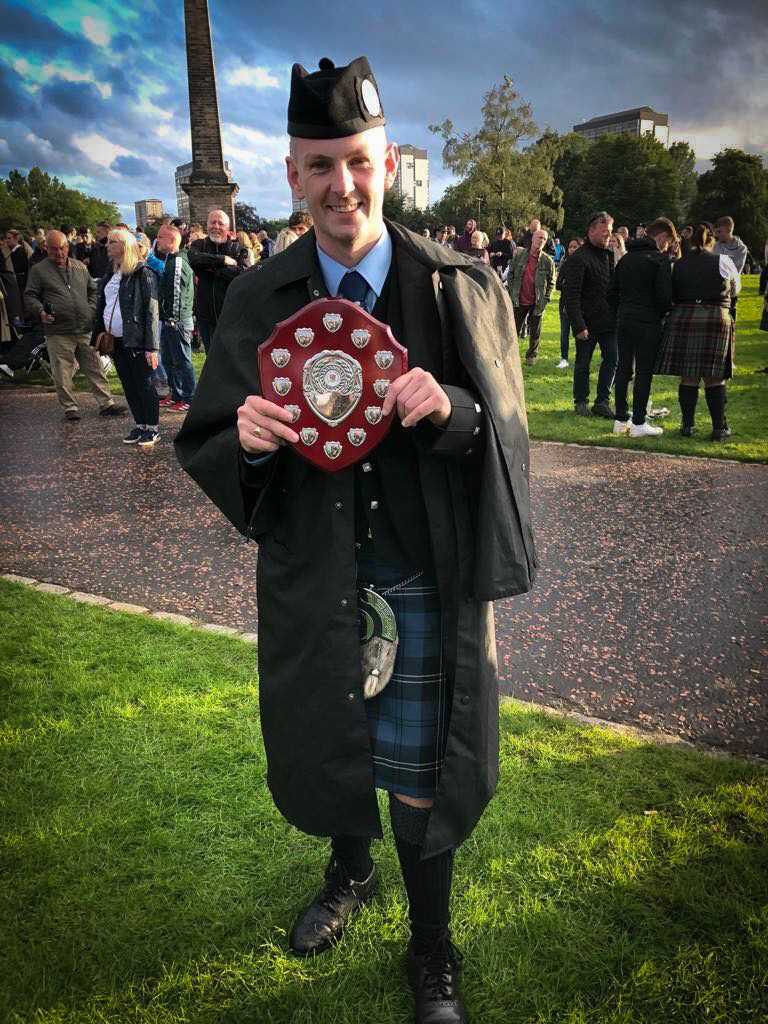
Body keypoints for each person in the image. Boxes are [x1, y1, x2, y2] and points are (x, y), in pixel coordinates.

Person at [175, 54, 536, 1024]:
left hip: (421, 575)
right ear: (294, 174)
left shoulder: (454, 285)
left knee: (418, 775)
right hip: (318, 572)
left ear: (388, 163)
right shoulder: (260, 299)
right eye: (323, 166)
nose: (345, 186)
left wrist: (453, 408)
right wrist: (246, 443)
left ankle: (432, 950)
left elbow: (504, 429)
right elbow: (206, 438)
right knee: (337, 746)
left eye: (362, 162)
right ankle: (348, 872)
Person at [24, 230, 125, 421]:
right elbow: (30, 295)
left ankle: (106, 403)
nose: (59, 253)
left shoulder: (79, 267)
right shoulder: (39, 270)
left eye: (62, 248)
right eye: (53, 249)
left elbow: (93, 291)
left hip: (85, 327)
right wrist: (40, 311)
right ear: (46, 248)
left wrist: (91, 309)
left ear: (67, 246)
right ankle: (70, 407)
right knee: (62, 372)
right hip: (58, 331)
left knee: (95, 367)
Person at [654, 222, 740, 441]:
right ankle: (719, 428)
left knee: (689, 376)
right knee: (714, 377)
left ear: (689, 243)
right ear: (711, 242)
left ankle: (688, 425)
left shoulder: (678, 264)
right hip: (715, 318)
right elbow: (736, 288)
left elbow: (671, 291)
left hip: (684, 317)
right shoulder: (723, 260)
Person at [606, 217, 676, 437]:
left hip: (624, 317)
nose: (666, 247)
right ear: (662, 237)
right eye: (667, 242)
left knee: (624, 369)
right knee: (644, 371)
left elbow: (610, 292)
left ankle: (620, 420)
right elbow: (665, 297)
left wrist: (622, 309)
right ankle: (638, 422)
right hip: (648, 320)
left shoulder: (626, 259)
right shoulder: (660, 260)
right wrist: (658, 312)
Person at [92, 228, 161, 447]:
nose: (107, 246)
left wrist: (152, 347)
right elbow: (104, 304)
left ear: (124, 245)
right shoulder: (111, 273)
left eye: (112, 242)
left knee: (144, 384)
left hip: (137, 339)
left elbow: (151, 311)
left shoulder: (143, 272)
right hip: (116, 339)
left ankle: (152, 427)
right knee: (128, 384)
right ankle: (140, 424)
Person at [562, 211, 618, 418]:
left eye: (610, 232)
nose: (608, 236)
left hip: (609, 320)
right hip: (587, 321)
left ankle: (602, 401)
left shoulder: (609, 255)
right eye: (604, 232)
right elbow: (571, 294)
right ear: (591, 231)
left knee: (612, 358)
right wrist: (578, 325)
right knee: (583, 363)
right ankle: (581, 401)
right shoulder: (579, 258)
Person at [187, 210, 249, 353]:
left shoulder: (238, 248)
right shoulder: (199, 245)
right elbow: (194, 259)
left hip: (231, 316)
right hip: (206, 316)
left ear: (227, 227)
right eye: (212, 222)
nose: (216, 226)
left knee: (232, 359)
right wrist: (223, 260)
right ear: (207, 225)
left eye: (220, 223)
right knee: (212, 359)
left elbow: (242, 274)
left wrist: (211, 268)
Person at [156, 224, 196, 413]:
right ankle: (177, 394)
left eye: (161, 237)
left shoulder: (178, 262)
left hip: (177, 320)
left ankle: (189, 397)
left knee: (182, 360)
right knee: (170, 360)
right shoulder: (171, 261)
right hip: (170, 319)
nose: (157, 241)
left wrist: (172, 317)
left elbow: (177, 293)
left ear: (172, 240)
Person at [507, 227, 555, 365]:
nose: (541, 241)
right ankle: (510, 354)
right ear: (532, 238)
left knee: (535, 331)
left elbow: (552, 282)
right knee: (513, 329)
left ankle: (531, 356)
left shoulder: (548, 261)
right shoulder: (519, 256)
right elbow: (511, 274)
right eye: (539, 237)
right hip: (519, 299)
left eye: (544, 239)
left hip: (537, 301)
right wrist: (512, 290)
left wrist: (546, 298)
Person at [713, 216, 748, 322]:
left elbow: (736, 271)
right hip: (715, 289)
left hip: (731, 290)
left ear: (728, 231)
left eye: (719, 232)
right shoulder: (715, 246)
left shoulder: (741, 249)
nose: (717, 235)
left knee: (730, 320)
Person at [555, 237, 582, 368]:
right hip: (565, 302)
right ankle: (564, 358)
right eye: (570, 247)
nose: (571, 249)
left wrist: (569, 284)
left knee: (579, 330)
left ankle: (580, 357)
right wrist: (569, 285)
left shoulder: (585, 264)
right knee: (564, 331)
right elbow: (558, 284)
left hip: (580, 304)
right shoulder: (565, 263)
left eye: (574, 247)